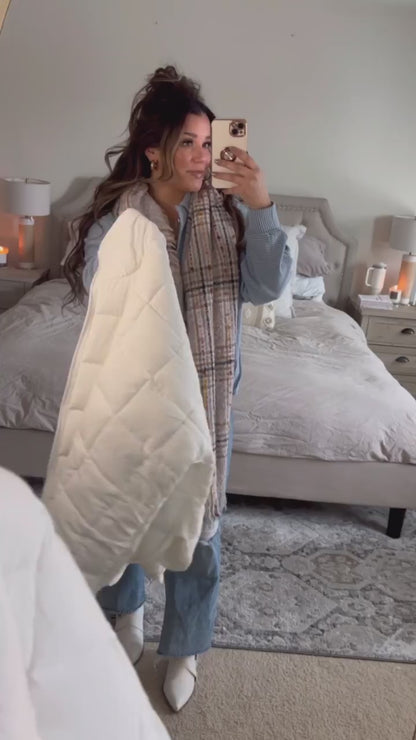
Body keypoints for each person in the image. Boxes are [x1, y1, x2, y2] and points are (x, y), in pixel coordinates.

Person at [63, 65, 291, 712]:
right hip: (133, 394)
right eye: (186, 142)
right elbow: (101, 295)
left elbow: (267, 286)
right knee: (128, 504)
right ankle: (126, 610)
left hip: (207, 397)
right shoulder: (120, 218)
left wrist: (262, 207)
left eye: (207, 143)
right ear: (153, 150)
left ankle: (184, 646)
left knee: (200, 524)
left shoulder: (233, 213)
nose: (200, 156)